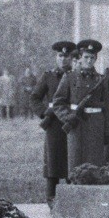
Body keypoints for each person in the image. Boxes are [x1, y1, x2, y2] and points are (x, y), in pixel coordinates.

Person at [54, 40, 109, 174]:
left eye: (92, 58)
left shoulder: (101, 79)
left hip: (96, 124)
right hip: (76, 124)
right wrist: (68, 117)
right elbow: (58, 102)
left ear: (96, 59)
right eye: (86, 57)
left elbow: (107, 108)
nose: (89, 61)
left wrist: (108, 131)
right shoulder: (69, 77)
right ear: (80, 57)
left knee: (95, 162)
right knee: (76, 161)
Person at [33, 41, 77, 203]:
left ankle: (73, 199)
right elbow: (35, 97)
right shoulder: (48, 76)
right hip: (53, 124)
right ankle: (51, 199)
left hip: (72, 122)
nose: (63, 59)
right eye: (60, 56)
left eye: (67, 56)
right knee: (53, 162)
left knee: (72, 159)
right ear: (56, 57)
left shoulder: (76, 76)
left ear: (72, 58)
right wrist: (45, 112)